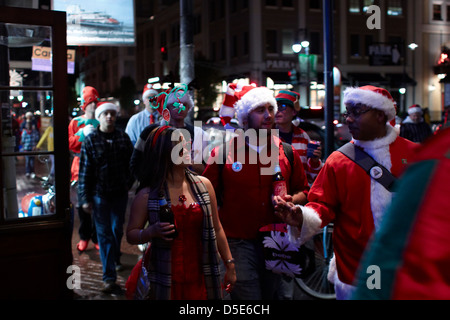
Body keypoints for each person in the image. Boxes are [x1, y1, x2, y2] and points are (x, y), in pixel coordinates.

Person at [274, 85, 419, 300]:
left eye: (356, 112)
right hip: (359, 264)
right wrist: (301, 216)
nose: (348, 119)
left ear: (381, 114)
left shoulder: (415, 155)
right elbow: (321, 204)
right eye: (347, 112)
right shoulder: (339, 161)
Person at [203, 82, 310, 300]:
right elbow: (206, 197)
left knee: (277, 296)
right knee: (249, 298)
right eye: (260, 110)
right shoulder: (223, 153)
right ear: (245, 118)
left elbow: (305, 191)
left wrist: (292, 200)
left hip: (278, 240)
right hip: (237, 241)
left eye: (270, 109)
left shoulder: (287, 152)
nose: (269, 115)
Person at [126, 125, 236, 300]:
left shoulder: (204, 185)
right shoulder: (147, 195)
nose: (188, 149)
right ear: (164, 153)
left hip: (201, 272)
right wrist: (150, 232)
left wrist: (229, 264)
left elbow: (217, 228)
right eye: (180, 146)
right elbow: (131, 234)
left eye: (187, 144)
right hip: (164, 274)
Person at [353, 128, 450, 300]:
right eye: (349, 111)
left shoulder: (429, 156)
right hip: (355, 259)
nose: (350, 118)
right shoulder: (434, 157)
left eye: (359, 110)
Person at [78, 102, 134, 294]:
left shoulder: (122, 138)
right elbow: (84, 172)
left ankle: (114, 259)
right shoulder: (91, 141)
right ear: (99, 117)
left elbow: (132, 163)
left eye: (112, 114)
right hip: (99, 195)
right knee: (105, 235)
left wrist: (129, 182)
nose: (109, 117)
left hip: (119, 193)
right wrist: (85, 198)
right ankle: (108, 278)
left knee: (117, 230)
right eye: (105, 114)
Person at [68, 86, 100, 252]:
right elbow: (70, 143)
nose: (93, 106)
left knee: (98, 204)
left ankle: (96, 237)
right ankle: (84, 236)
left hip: (98, 167)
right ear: (85, 105)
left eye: (95, 102)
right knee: (82, 204)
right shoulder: (75, 122)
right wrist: (81, 134)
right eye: (90, 103)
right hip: (80, 167)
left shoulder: (101, 121)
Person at [275, 90, 323, 183]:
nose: (277, 111)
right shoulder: (266, 135)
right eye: (275, 107)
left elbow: (311, 177)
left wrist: (315, 161)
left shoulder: (303, 137)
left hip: (298, 193)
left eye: (282, 107)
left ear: (293, 111)